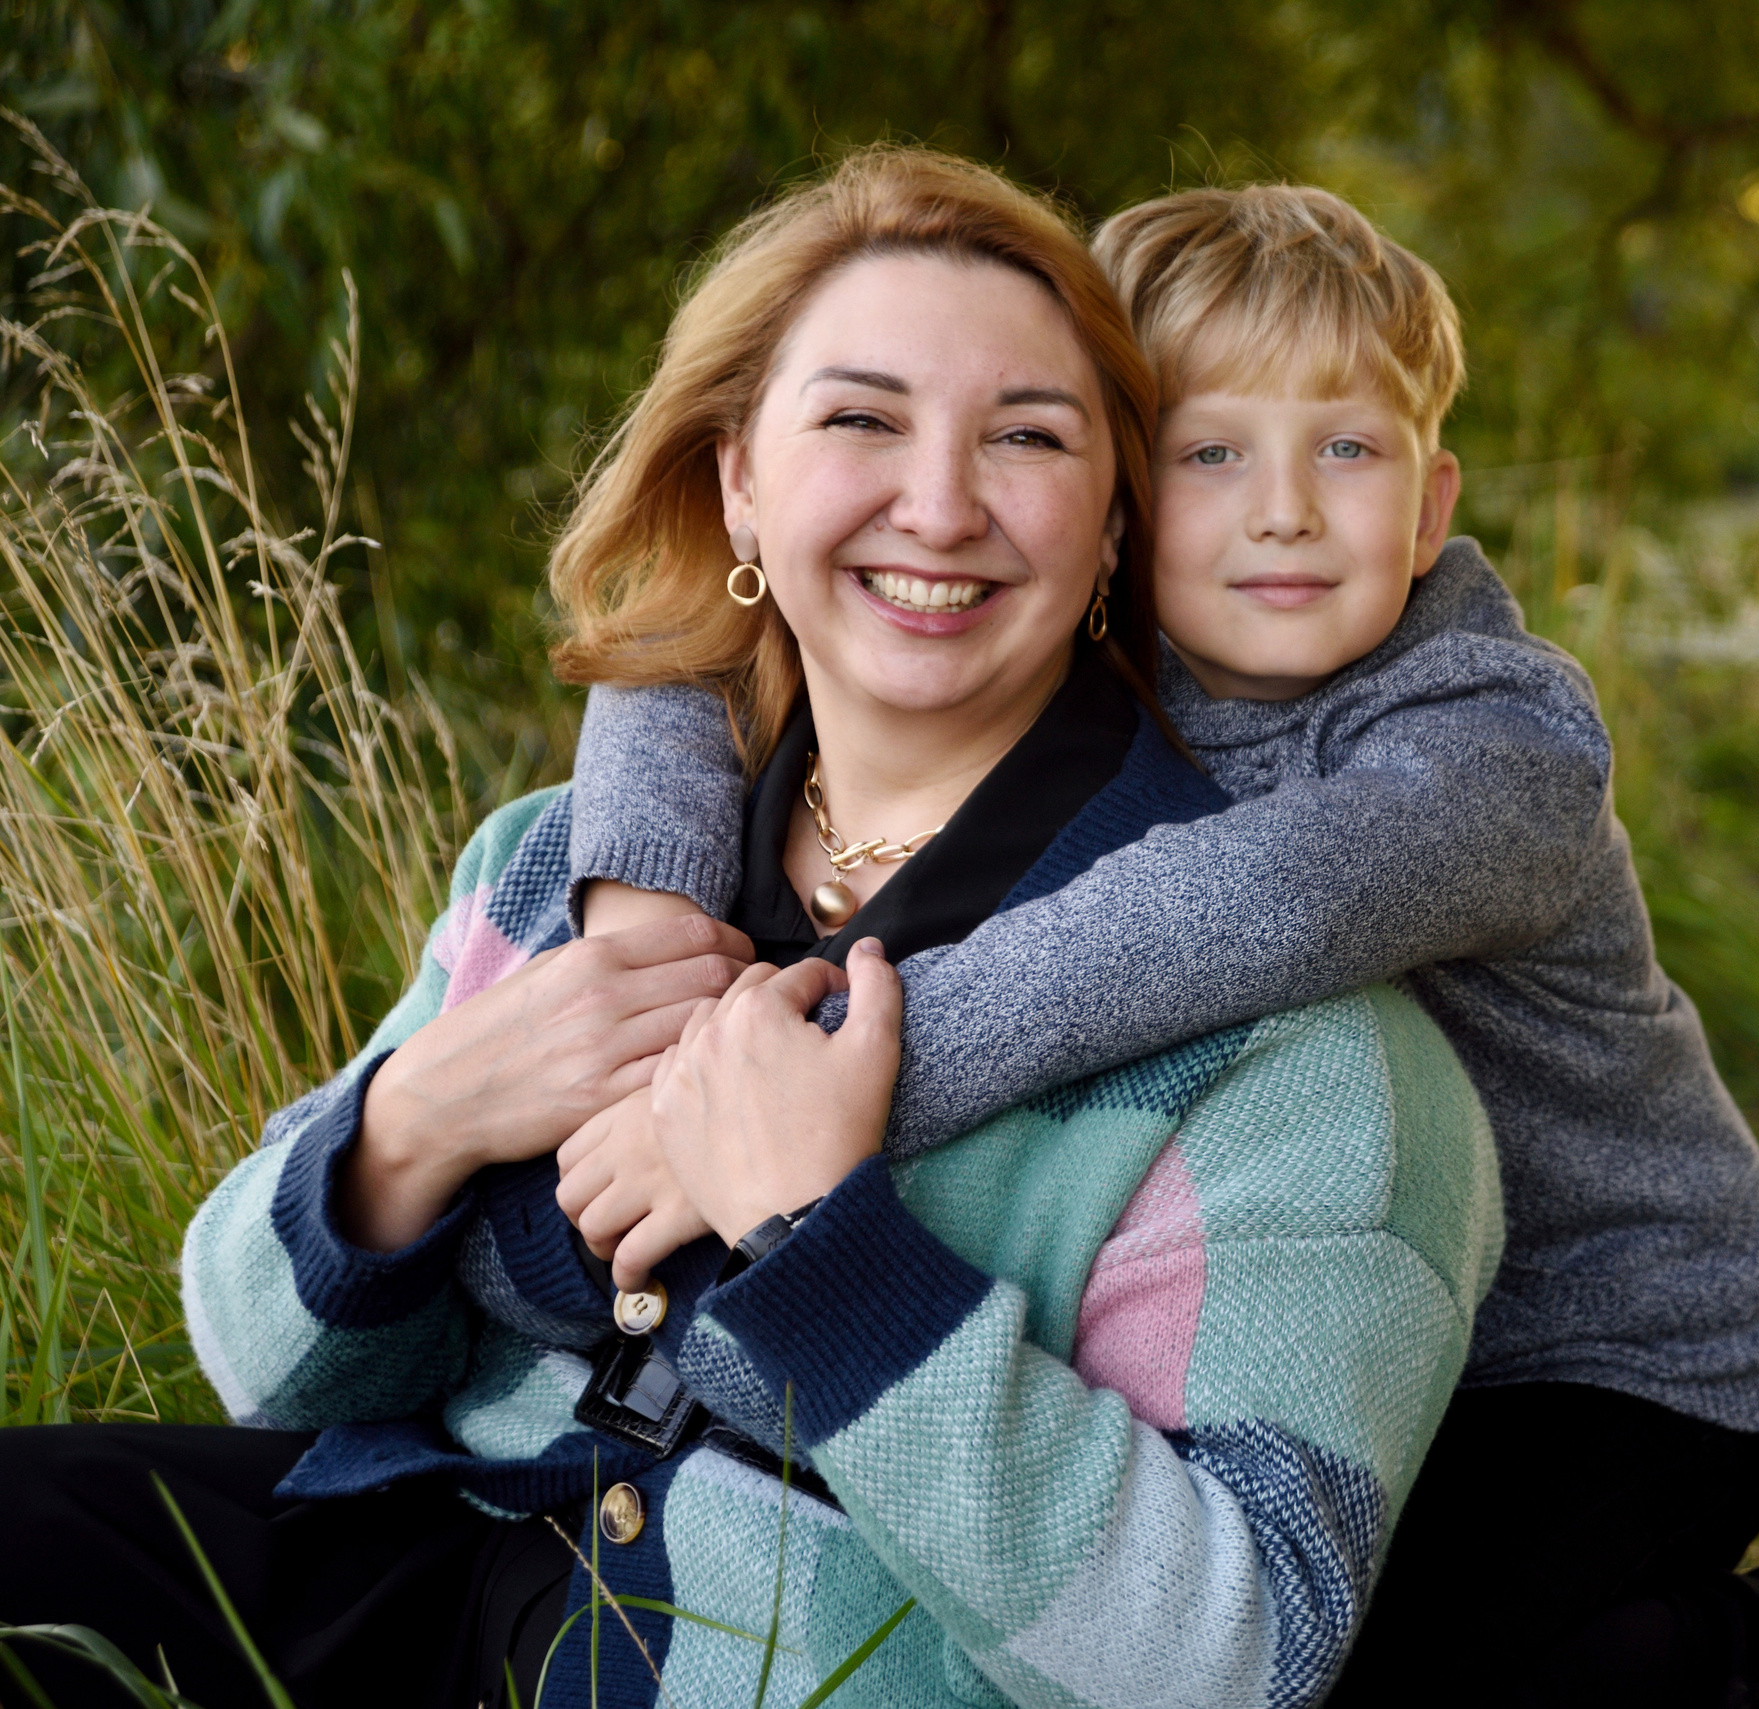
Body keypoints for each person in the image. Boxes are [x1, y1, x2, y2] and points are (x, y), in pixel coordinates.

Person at [0, 149, 1503, 1709]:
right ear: (739, 483)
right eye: (860, 420)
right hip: (410, 1561)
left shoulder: (1303, 1056)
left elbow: (1236, 1654)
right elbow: (265, 1370)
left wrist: (823, 1247)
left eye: (1028, 436)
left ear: (1115, 518)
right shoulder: (556, 865)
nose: (940, 505)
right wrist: (416, 1120)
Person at [565, 185, 1759, 1706]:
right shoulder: (1104, 647)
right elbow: (690, 658)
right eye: (1215, 454)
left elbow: (1209, 923)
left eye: (1347, 450)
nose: (1285, 509)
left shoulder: (1495, 749)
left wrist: (800, 1100)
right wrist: (641, 929)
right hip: (1333, 1312)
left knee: (1366, 1681)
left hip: (1602, 1351)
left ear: (1431, 506)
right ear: (1123, 502)